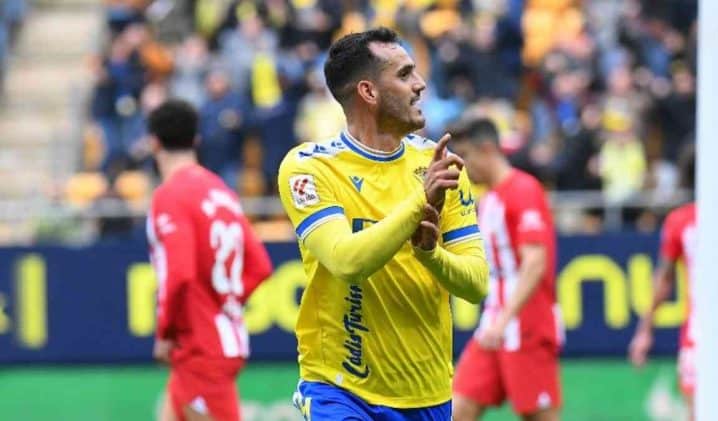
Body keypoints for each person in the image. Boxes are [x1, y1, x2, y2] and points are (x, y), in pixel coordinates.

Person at [277, 27, 489, 420]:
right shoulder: (310, 168)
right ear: (369, 92)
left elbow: (476, 284)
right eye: (405, 74)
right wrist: (418, 204)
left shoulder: (441, 168)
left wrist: (430, 254)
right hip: (340, 390)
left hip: (426, 395)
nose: (421, 84)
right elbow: (345, 261)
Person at [146, 99, 273, 421]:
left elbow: (179, 273)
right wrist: (224, 303)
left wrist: (165, 333)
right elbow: (259, 266)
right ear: (196, 140)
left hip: (199, 346)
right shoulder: (221, 191)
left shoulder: (170, 194)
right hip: (218, 337)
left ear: (153, 143)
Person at [450, 118, 563, 421]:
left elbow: (535, 262)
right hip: (494, 323)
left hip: (526, 324)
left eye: (466, 155)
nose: (463, 166)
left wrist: (504, 321)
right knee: (456, 408)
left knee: (538, 415)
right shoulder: (488, 199)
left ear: (487, 149)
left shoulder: (524, 190)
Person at [629, 153, 718, 417]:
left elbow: (663, 279)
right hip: (702, 337)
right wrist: (644, 330)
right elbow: (664, 279)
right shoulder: (681, 221)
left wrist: (644, 332)